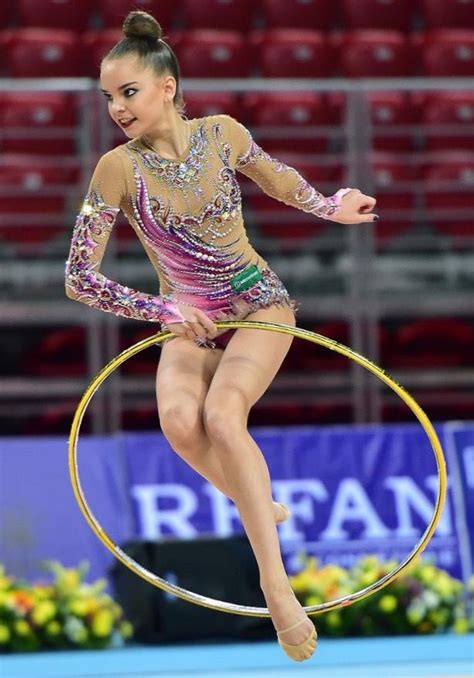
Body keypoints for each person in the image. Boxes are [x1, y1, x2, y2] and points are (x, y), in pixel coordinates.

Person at [65, 10, 378, 662]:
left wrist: (330, 206)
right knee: (180, 422)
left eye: (128, 92)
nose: (116, 108)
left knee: (222, 413)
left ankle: (275, 584)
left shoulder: (223, 134)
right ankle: (256, 498)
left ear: (167, 87)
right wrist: (162, 311)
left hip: (258, 301)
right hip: (189, 316)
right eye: (107, 96)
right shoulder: (116, 171)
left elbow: (276, 177)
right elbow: (77, 277)